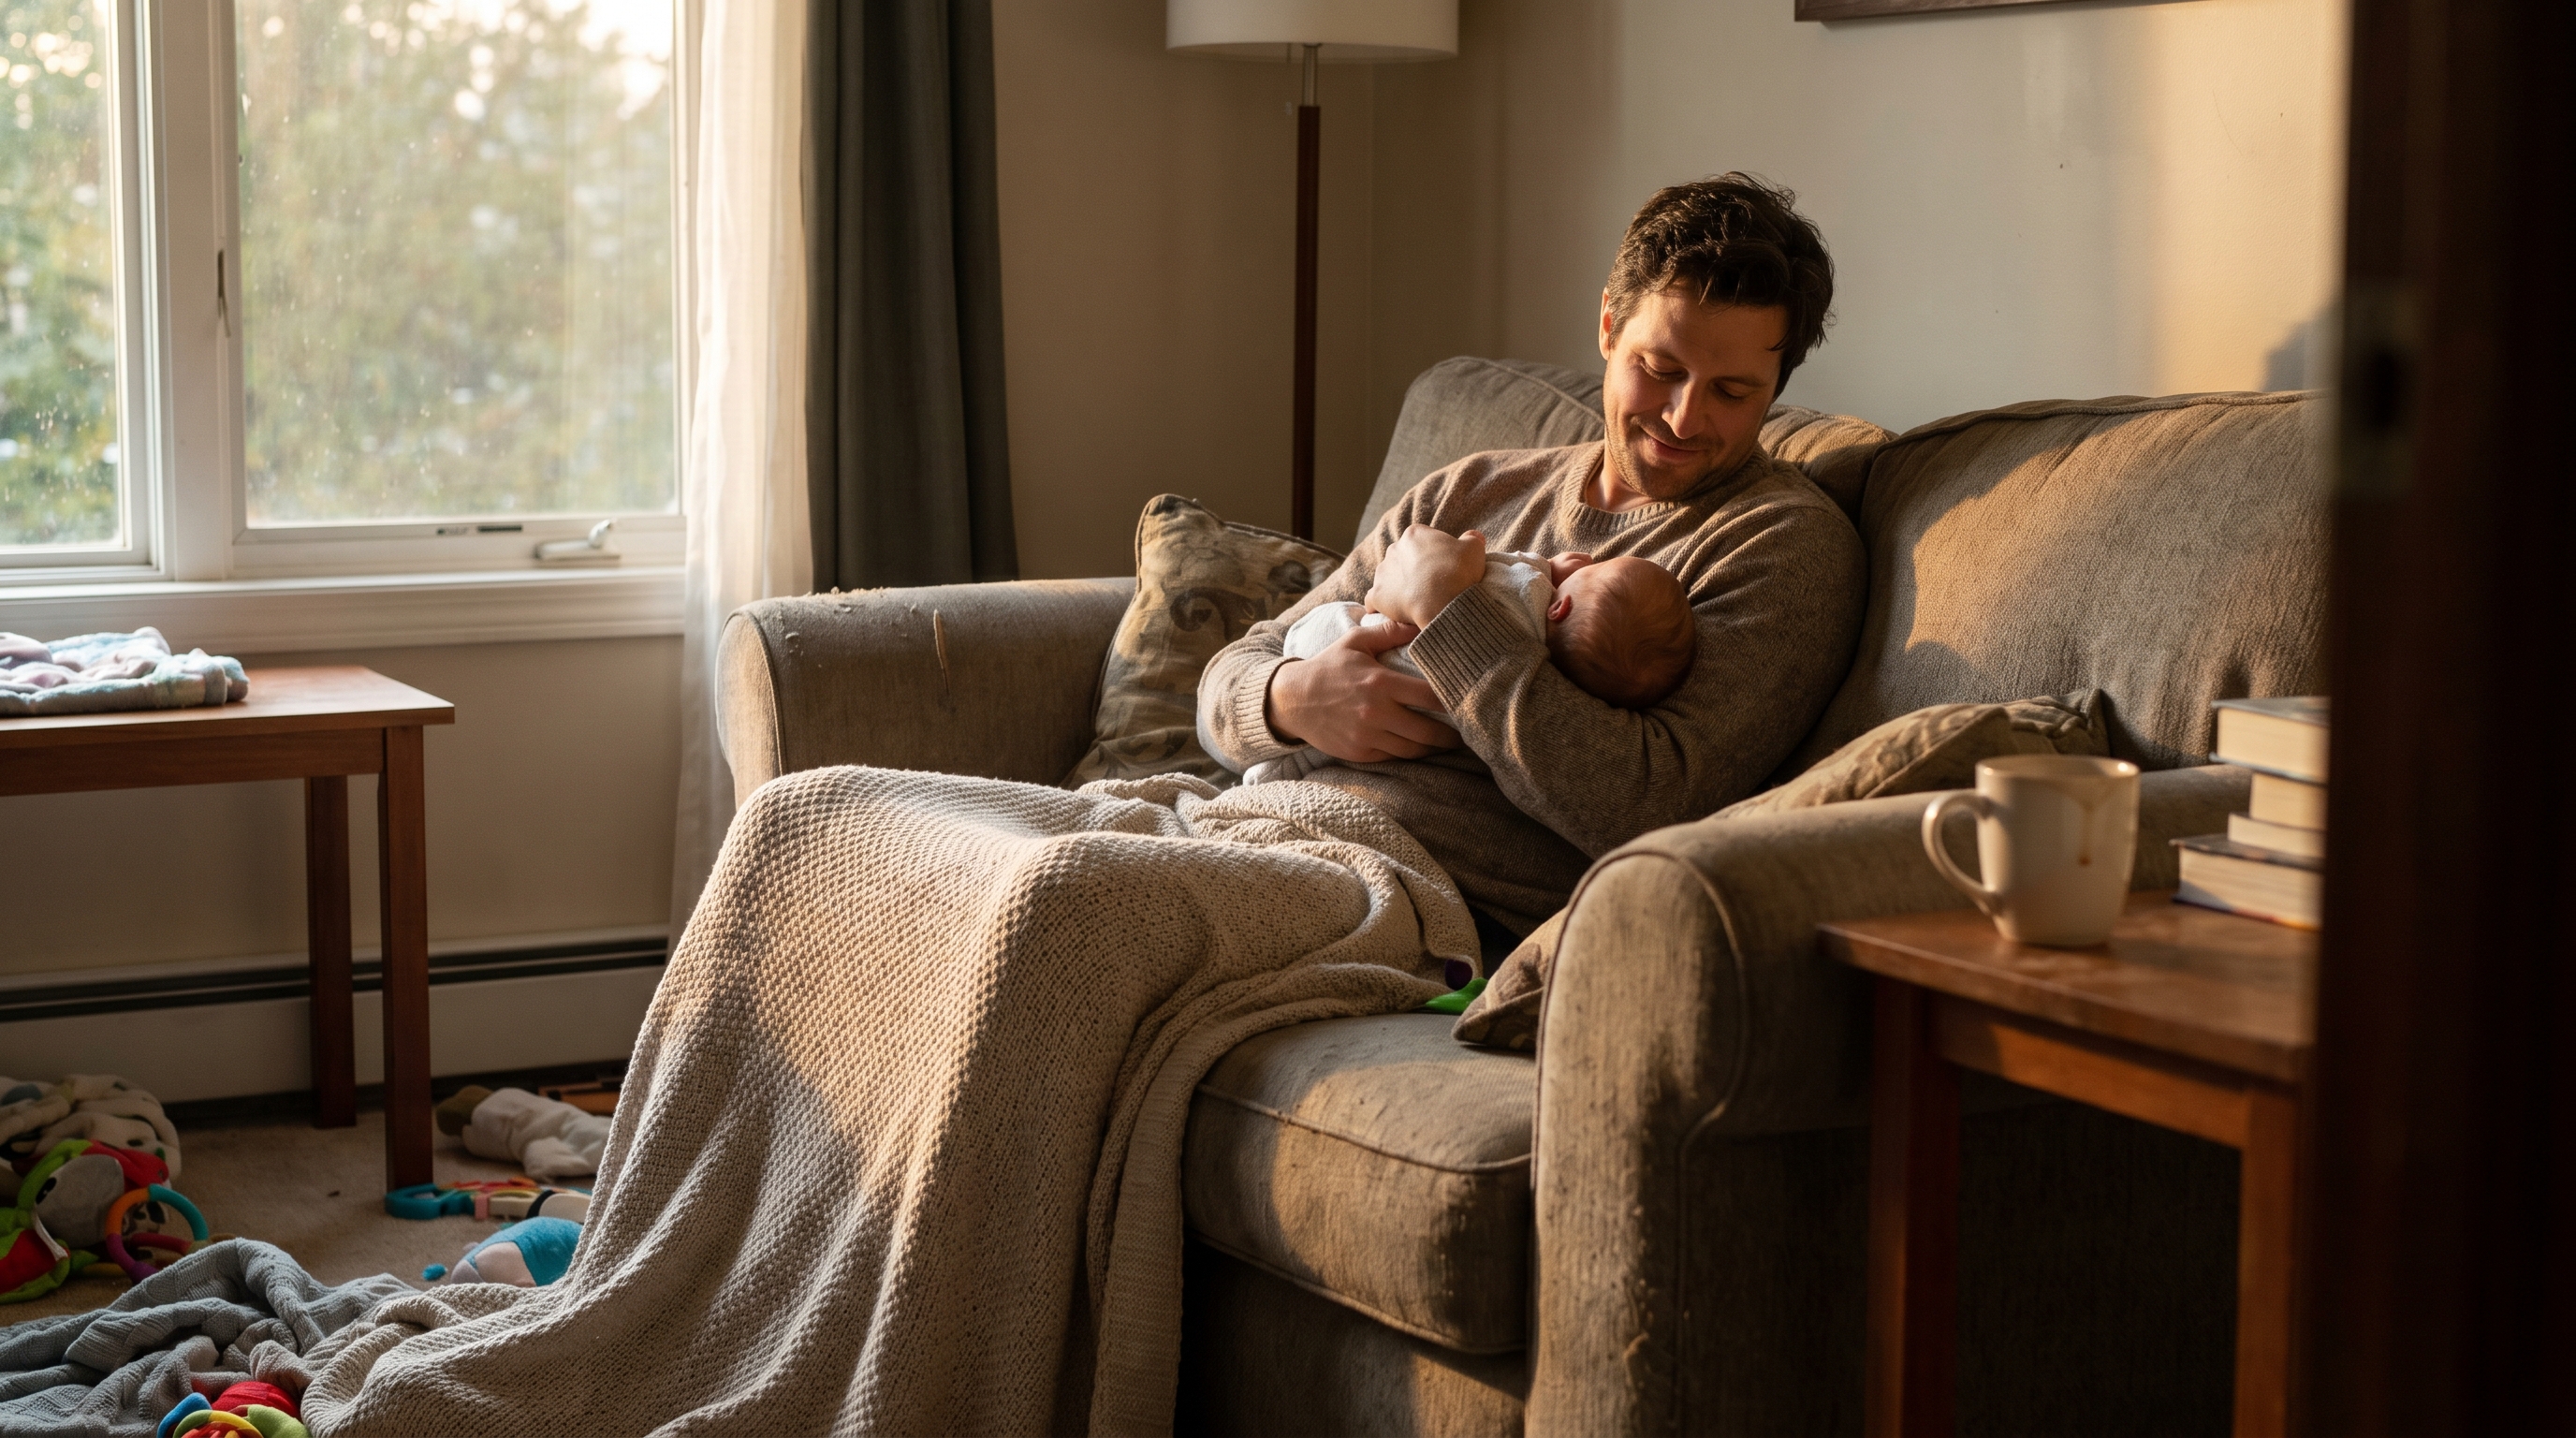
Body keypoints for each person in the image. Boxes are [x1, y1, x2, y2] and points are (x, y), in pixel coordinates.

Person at [1198, 171, 1867, 940]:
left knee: (1074, 903)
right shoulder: (1472, 490)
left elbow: (1645, 807)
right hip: (1255, 820)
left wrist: (1448, 613)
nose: (1686, 417)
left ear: (1777, 384)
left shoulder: (1778, 546)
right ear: (1610, 328)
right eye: (1663, 370)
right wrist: (1290, 699)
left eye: (1733, 391)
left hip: (1418, 895)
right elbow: (1231, 672)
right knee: (1029, 841)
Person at [1238, 550, 1696, 785]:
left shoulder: (1530, 589)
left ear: (1561, 607)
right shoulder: (1545, 678)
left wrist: (1545, 564)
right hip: (1349, 728)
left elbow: (1494, 567)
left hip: (1335, 637)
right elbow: (1248, 654)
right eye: (1659, 368)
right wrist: (1286, 696)